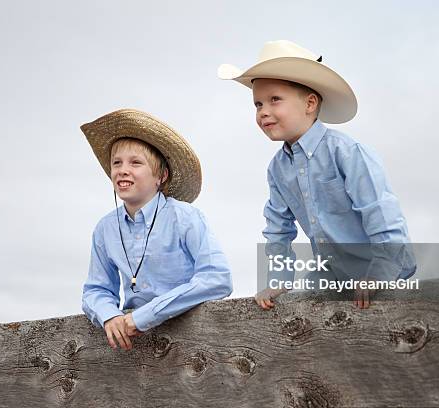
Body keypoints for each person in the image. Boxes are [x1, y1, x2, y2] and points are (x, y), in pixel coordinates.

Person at [218, 40, 415, 309]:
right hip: (332, 276)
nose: (263, 111)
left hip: (382, 273)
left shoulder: (346, 152)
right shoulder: (277, 169)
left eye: (275, 100)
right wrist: (279, 279)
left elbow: (380, 212)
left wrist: (380, 273)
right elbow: (278, 230)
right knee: (297, 316)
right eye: (258, 104)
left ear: (310, 103)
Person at [80, 108, 232, 350]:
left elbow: (217, 278)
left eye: (136, 163)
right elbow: (97, 289)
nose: (123, 169)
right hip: (135, 349)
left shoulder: (184, 217)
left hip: (193, 341)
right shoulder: (105, 229)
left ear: (161, 176)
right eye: (116, 163)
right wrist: (110, 315)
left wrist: (142, 317)